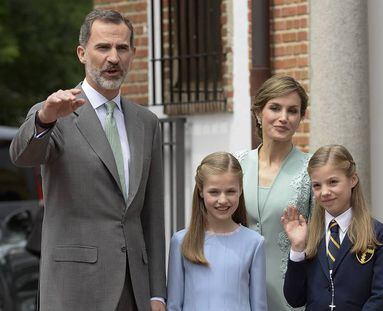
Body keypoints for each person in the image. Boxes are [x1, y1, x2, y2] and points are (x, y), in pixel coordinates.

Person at [9, 9, 166, 311]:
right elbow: (22, 155)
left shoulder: (146, 122)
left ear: (133, 53)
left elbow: (152, 215)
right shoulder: (55, 112)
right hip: (73, 289)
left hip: (133, 290)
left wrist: (157, 292)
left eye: (122, 48)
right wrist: (44, 120)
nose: (113, 58)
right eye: (103, 47)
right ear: (82, 53)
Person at [281, 145, 383, 310]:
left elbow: (381, 297)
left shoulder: (377, 234)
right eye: (317, 185)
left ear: (352, 180)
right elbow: (295, 298)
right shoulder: (309, 233)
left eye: (333, 182)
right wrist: (298, 248)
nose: (324, 192)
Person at [236, 75, 313, 310]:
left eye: (292, 111)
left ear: (301, 117)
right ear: (259, 113)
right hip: (238, 290)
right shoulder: (236, 164)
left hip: (291, 296)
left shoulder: (311, 170)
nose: (283, 118)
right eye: (275, 108)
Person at [167, 152, 267, 311]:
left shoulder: (254, 243)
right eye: (214, 192)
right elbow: (173, 305)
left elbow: (259, 306)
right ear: (201, 191)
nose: (222, 200)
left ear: (240, 190)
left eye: (230, 191)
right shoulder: (180, 241)